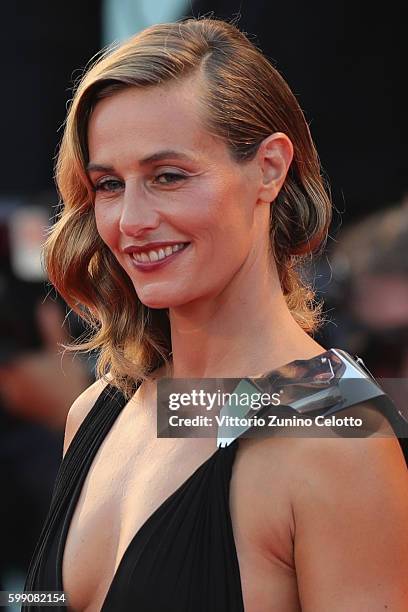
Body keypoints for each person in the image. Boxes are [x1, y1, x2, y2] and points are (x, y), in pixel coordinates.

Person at [22, 17, 408, 612]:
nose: (130, 222)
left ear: (270, 169)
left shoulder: (334, 433)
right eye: (108, 185)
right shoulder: (97, 411)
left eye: (168, 177)